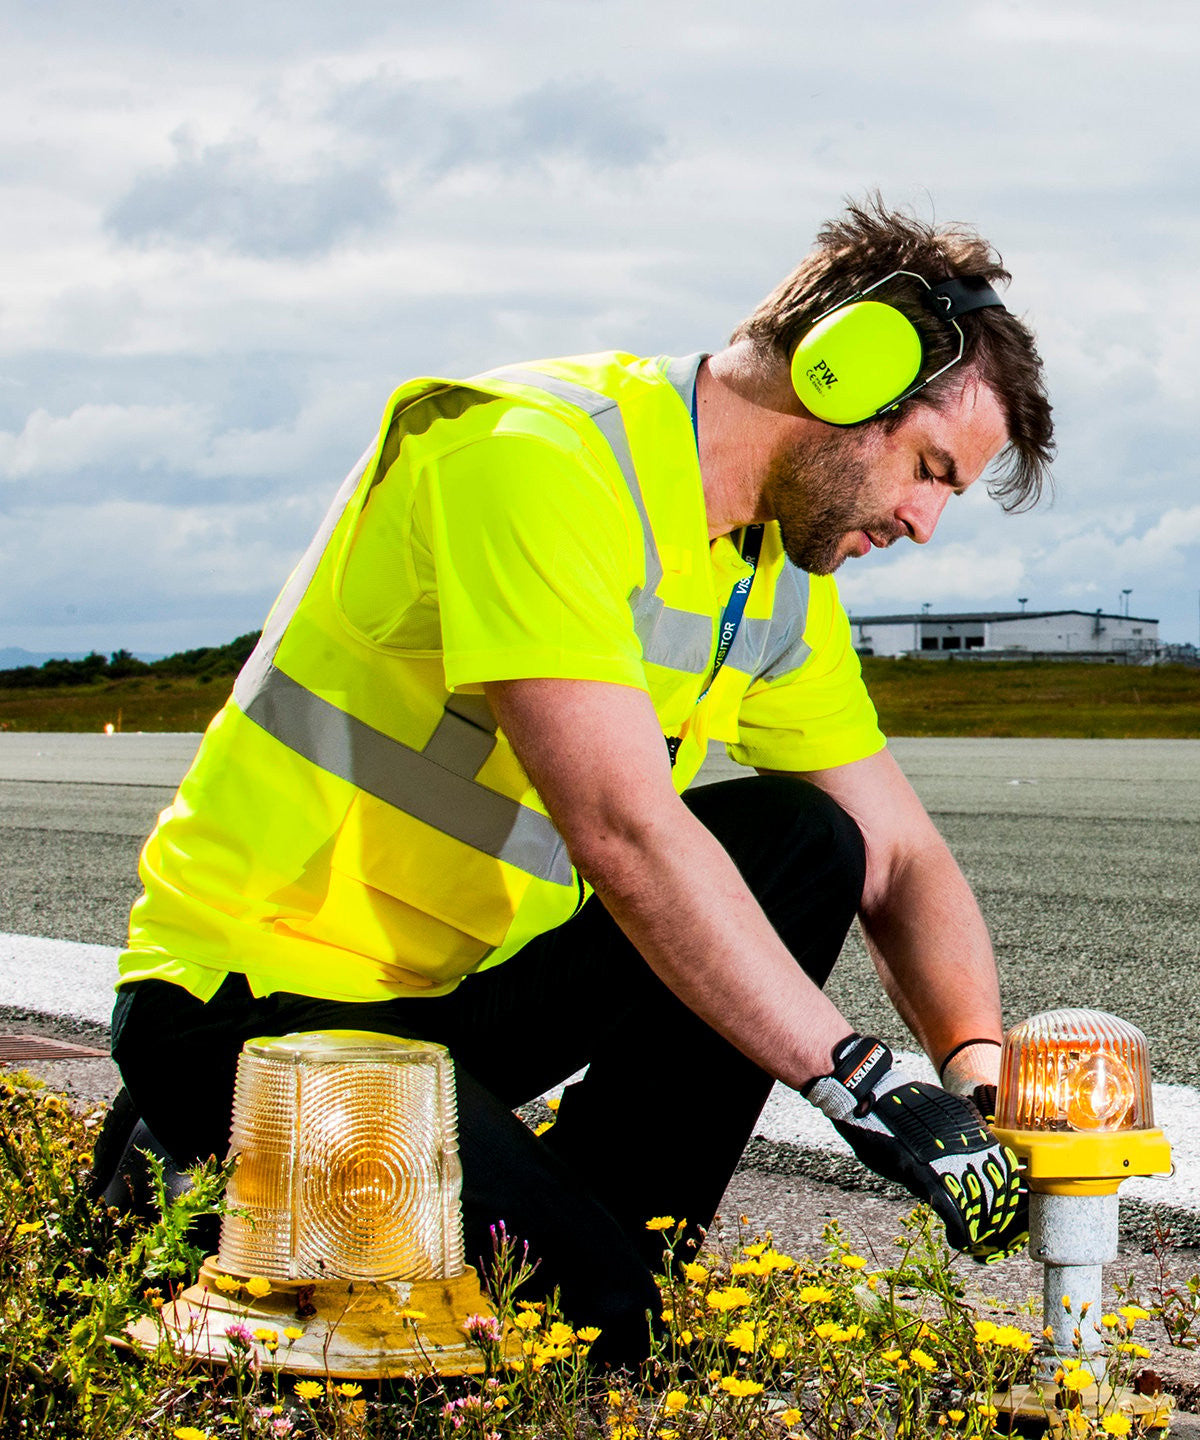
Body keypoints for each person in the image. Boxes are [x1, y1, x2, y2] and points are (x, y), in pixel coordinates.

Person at [101, 197, 1054, 1368]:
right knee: (584, 1331)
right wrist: (865, 1087)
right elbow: (623, 832)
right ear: (845, 372)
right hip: (260, 1008)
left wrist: (978, 1073)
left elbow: (898, 856)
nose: (923, 523)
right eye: (930, 470)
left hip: (461, 1011)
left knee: (806, 840)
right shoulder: (534, 457)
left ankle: (615, 1240)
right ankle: (171, 1159)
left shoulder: (770, 577)